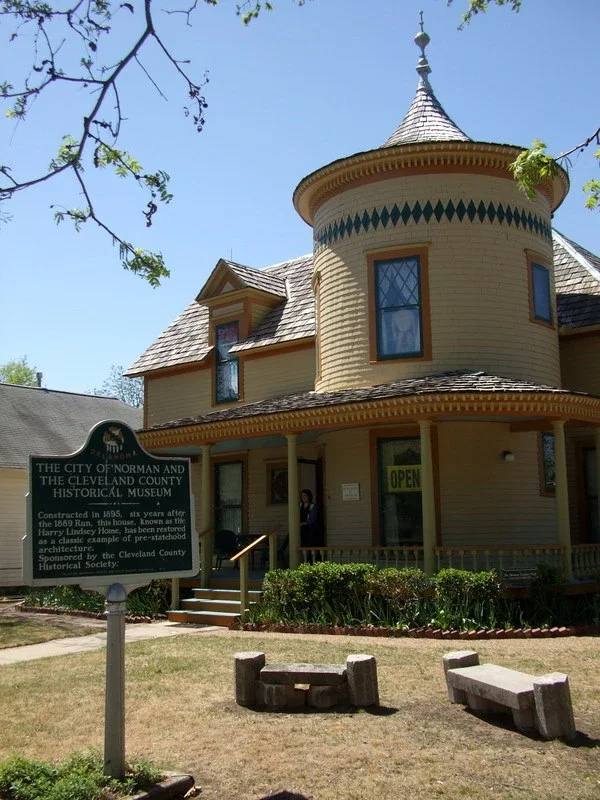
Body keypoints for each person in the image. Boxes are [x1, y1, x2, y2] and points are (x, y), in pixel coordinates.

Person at [299, 489, 319, 563]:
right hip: (301, 529)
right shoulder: (300, 506)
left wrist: (304, 523)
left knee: (310, 546)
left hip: (310, 529)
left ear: (309, 496)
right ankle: (304, 562)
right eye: (302, 496)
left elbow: (312, 519)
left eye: (305, 496)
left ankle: (312, 562)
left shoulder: (313, 506)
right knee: (303, 546)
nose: (303, 497)